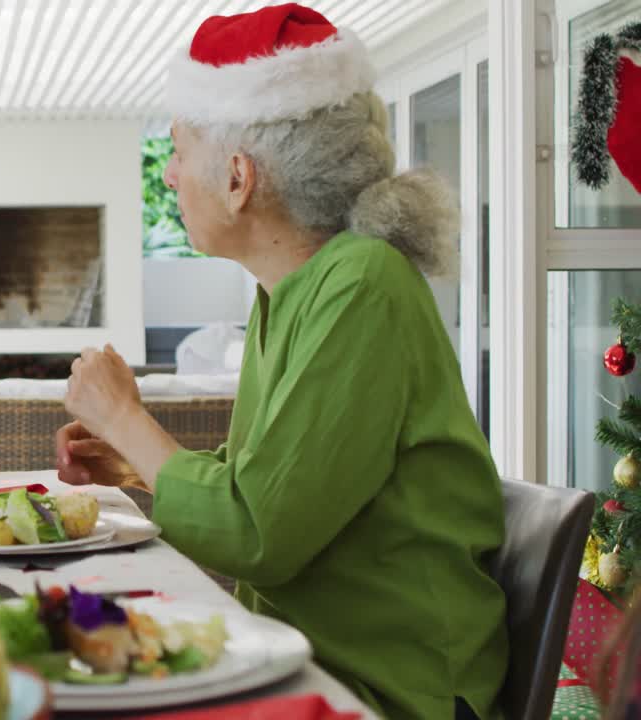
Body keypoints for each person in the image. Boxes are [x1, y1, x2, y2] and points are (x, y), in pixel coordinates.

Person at [56, 5, 507, 719]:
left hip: (386, 691)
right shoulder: (294, 290)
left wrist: (125, 414)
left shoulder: (362, 284)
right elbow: (266, 488)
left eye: (176, 149)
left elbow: (258, 533)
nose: (169, 175)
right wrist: (134, 461)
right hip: (303, 661)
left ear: (238, 178)